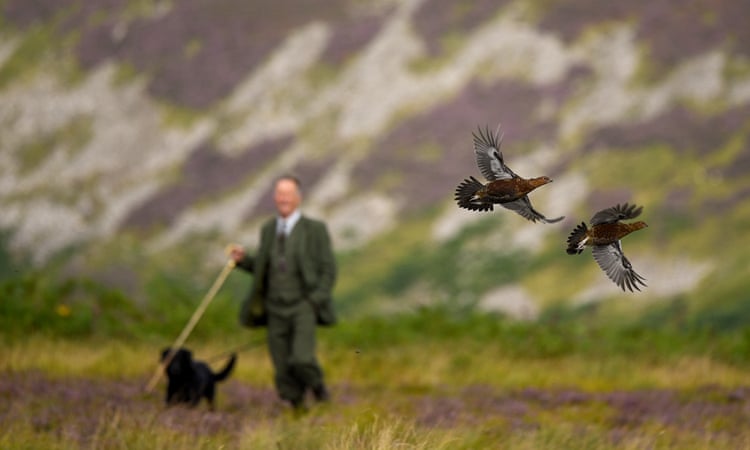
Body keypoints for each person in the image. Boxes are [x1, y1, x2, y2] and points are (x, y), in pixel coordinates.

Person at [230, 175, 337, 411]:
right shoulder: (268, 229)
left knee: (301, 358)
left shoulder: (315, 229)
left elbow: (329, 269)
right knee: (281, 364)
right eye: (279, 194)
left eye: (288, 194)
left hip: (303, 305)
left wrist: (314, 300)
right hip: (274, 307)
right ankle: (297, 409)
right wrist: (242, 261)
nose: (283, 198)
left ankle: (318, 387)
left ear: (298, 198)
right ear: (274, 197)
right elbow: (263, 266)